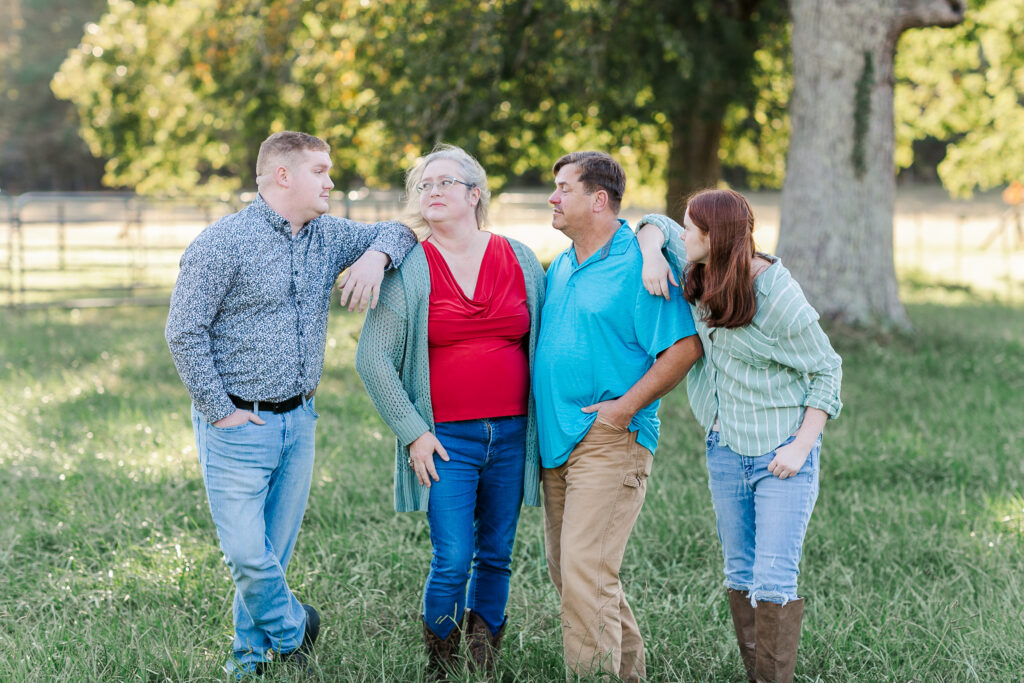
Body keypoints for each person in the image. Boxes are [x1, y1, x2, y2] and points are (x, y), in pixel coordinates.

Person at [165, 131, 416, 676]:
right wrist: (220, 411)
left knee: (273, 556)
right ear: (284, 176)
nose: (331, 181)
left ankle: (251, 658)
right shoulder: (222, 243)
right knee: (248, 557)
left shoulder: (328, 237)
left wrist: (374, 255)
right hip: (236, 420)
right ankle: (295, 629)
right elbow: (183, 332)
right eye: (321, 171)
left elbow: (401, 231)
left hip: (300, 420)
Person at [635, 189, 843, 683]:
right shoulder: (702, 267)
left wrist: (800, 446)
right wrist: (649, 256)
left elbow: (827, 370)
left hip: (780, 452)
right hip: (725, 448)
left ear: (715, 237)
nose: (682, 236)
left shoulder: (776, 293)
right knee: (739, 575)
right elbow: (651, 224)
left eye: (692, 229)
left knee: (772, 581)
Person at [355, 144, 545, 681]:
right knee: (453, 556)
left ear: (474, 194)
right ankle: (441, 665)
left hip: (512, 434)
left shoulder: (521, 258)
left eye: (444, 182)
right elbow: (372, 359)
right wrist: (413, 433)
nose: (432, 192)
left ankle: (483, 661)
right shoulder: (410, 267)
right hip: (445, 441)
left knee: (497, 554)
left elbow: (547, 341)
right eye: (424, 185)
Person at [532, 151, 703, 681]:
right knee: (578, 575)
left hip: (611, 439)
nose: (553, 198)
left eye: (564, 188)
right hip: (558, 442)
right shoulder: (562, 265)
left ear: (598, 200)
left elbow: (683, 347)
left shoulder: (638, 262)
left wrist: (622, 410)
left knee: (585, 573)